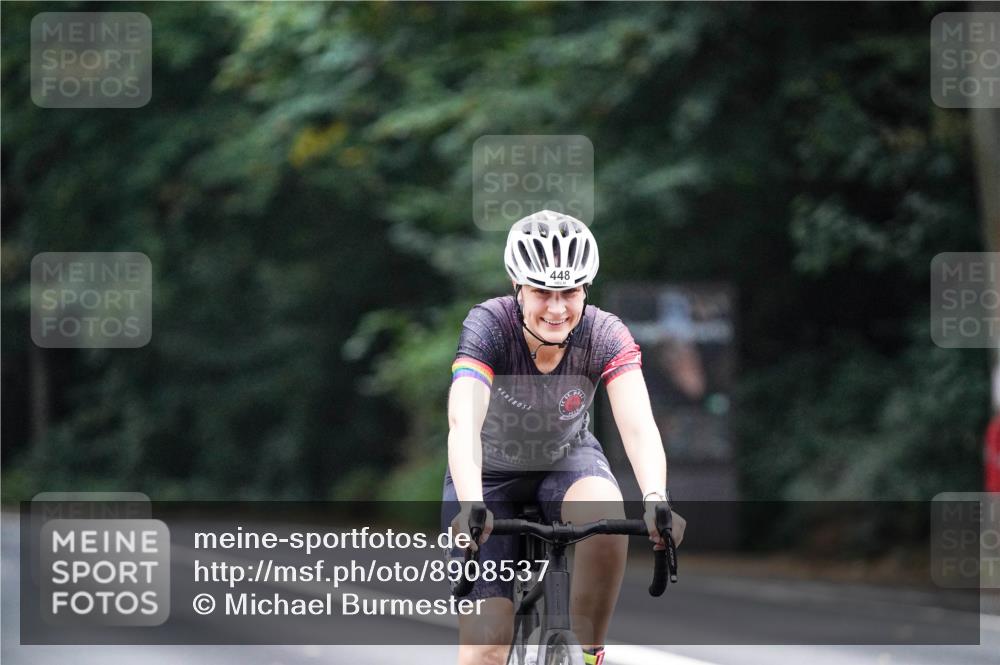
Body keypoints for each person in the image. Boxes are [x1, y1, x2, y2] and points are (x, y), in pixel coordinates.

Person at [443, 210, 686, 665]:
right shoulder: (489, 325)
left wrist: (656, 497)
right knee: (485, 650)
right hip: (489, 474)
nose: (557, 308)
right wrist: (472, 503)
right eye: (541, 291)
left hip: (566, 461)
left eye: (569, 291)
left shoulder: (604, 333)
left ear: (585, 289)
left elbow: (637, 424)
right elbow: (463, 424)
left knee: (608, 520)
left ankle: (587, 654)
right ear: (518, 287)